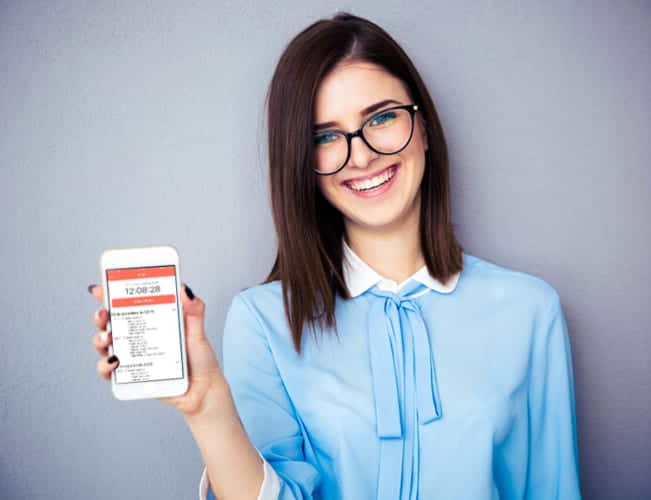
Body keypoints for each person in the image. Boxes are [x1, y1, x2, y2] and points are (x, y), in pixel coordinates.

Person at [89, 12, 581, 500]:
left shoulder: (529, 312)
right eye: (325, 137)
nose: (362, 155)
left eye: (382, 117)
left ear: (424, 127)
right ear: (302, 162)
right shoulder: (262, 322)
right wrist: (207, 407)